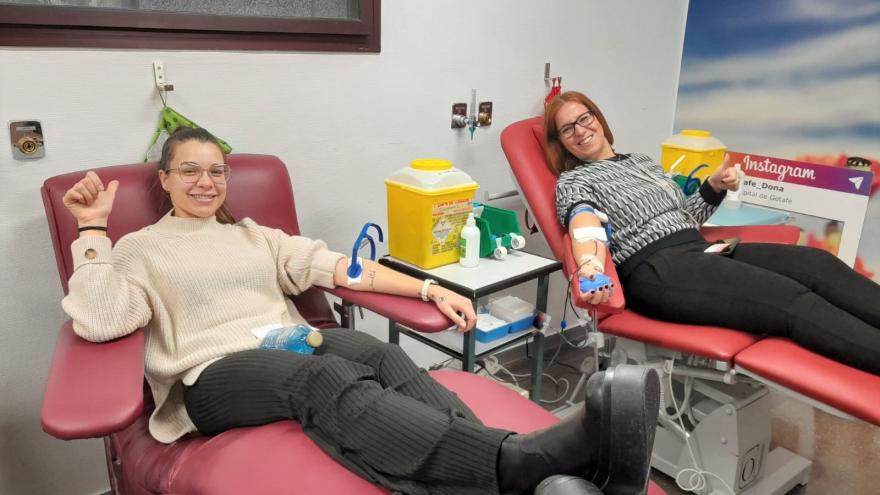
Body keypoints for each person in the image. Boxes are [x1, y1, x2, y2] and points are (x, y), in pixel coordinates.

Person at [61, 127, 661, 495]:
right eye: (188, 170)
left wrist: (428, 289)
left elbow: (340, 267)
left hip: (280, 347)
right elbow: (101, 317)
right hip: (211, 376)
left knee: (375, 353)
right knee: (323, 374)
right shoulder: (139, 247)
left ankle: (509, 470)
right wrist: (91, 229)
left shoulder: (253, 235)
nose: (205, 181)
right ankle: (522, 460)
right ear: (164, 179)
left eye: (216, 170)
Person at [546, 91, 880, 376]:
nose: (580, 130)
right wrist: (589, 265)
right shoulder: (574, 181)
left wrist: (714, 187)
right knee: (788, 299)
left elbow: (683, 218)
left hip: (695, 248)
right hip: (655, 270)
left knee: (817, 264)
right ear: (561, 143)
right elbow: (583, 222)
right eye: (567, 128)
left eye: (584, 118)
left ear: (599, 119)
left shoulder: (641, 161)